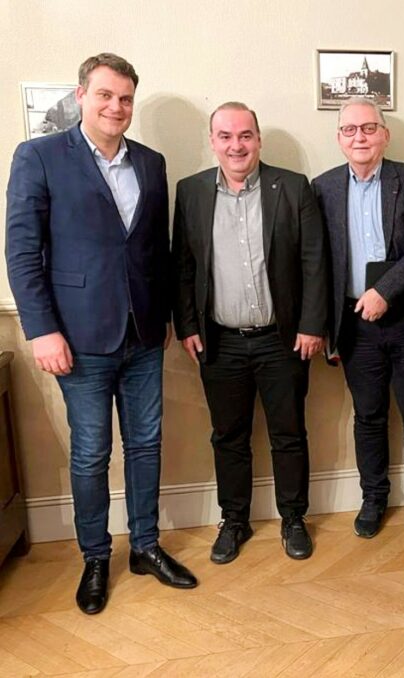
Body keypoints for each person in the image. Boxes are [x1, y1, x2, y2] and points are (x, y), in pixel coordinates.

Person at [5, 53, 198, 615]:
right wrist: (42, 330)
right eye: (106, 95)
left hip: (144, 335)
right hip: (78, 338)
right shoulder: (40, 156)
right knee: (91, 453)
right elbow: (22, 252)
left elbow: (156, 251)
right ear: (82, 95)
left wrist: (165, 315)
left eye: (126, 98)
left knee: (146, 445)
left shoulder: (152, 163)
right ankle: (95, 557)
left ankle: (145, 546)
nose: (117, 107)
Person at [172, 102, 326, 564]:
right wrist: (187, 325)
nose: (236, 145)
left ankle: (293, 518)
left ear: (258, 140)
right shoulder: (192, 191)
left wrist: (312, 324)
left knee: (289, 433)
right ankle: (234, 520)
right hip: (219, 342)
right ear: (212, 141)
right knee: (228, 437)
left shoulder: (292, 187)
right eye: (225, 136)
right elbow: (183, 266)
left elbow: (314, 262)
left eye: (245, 135)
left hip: (282, 340)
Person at [312, 97, 404, 540]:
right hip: (354, 325)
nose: (360, 137)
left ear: (385, 134)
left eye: (368, 128)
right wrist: (325, 329)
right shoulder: (322, 187)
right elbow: (317, 261)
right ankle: (373, 497)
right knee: (368, 416)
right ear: (339, 138)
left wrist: (386, 290)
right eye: (350, 130)